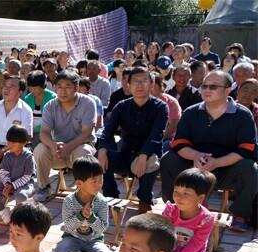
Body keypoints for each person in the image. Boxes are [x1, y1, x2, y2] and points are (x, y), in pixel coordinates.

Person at [160, 70, 257, 232]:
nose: (207, 90)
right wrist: (196, 156)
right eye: (204, 86)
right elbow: (179, 142)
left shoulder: (242, 114)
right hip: (194, 166)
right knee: (169, 159)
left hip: (226, 168)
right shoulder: (191, 112)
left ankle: (240, 214)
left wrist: (217, 162)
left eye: (213, 87)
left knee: (250, 168)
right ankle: (176, 208)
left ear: (227, 90)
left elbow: (246, 149)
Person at [97, 66, 168, 213]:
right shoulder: (121, 106)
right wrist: (102, 150)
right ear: (128, 85)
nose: (140, 85)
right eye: (135, 81)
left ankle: (144, 199)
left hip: (148, 155)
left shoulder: (160, 107)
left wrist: (143, 155)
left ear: (151, 84)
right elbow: (107, 131)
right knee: (100, 156)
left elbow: (156, 135)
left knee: (152, 161)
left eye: (144, 81)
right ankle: (111, 196)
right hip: (126, 154)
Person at [53, 156, 113, 252]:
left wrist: (91, 218)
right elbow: (68, 226)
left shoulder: (101, 202)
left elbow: (103, 228)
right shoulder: (69, 201)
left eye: (101, 179)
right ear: (79, 183)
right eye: (94, 181)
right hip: (72, 238)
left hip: (94, 240)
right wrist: (80, 216)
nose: (99, 184)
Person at [33, 72, 97, 202]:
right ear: (55, 88)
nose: (63, 91)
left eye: (68, 86)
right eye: (59, 86)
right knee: (40, 149)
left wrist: (68, 147)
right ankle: (43, 187)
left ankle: (84, 191)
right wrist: (53, 145)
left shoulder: (88, 103)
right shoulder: (50, 105)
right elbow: (44, 132)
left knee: (84, 152)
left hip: (79, 146)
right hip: (59, 151)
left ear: (76, 87)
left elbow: (86, 133)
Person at [162, 168, 216, 252]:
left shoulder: (206, 218)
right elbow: (164, 233)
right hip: (170, 250)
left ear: (200, 198)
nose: (179, 197)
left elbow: (196, 244)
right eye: (176, 191)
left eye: (186, 193)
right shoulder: (170, 210)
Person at [0, 125, 36, 223]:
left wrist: (12, 186)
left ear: (24, 143)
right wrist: (7, 184)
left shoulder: (28, 157)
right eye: (8, 141)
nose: (10, 144)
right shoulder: (7, 155)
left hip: (25, 184)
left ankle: (19, 214)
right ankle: (3, 211)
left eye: (13, 142)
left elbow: (27, 177)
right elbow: (4, 172)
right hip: (9, 182)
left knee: (21, 196)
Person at [0, 75, 33, 163]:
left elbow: (27, 137)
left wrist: (4, 151)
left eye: (12, 86)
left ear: (20, 92)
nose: (6, 89)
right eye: (5, 86)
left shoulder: (26, 110)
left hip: (16, 148)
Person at [24, 70, 57, 147]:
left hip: (48, 132)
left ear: (42, 86)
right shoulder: (27, 99)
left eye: (35, 88)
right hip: (31, 133)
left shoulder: (52, 98)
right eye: (30, 88)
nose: (32, 90)